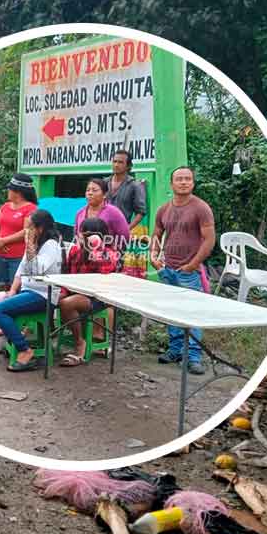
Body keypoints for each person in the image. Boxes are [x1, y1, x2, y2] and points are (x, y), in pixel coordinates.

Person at [151, 166, 216, 375]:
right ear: (172, 184)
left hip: (189, 271)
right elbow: (157, 233)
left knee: (192, 313)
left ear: (193, 183)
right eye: (179, 179)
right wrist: (153, 256)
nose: (184, 182)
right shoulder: (164, 209)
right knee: (171, 312)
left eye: (188, 179)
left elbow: (209, 239)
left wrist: (193, 264)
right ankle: (175, 350)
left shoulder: (201, 208)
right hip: (168, 268)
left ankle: (194, 357)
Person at [0, 209, 62, 372]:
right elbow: (21, 270)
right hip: (27, 292)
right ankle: (11, 340)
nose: (26, 231)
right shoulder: (36, 243)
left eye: (29, 227)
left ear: (40, 228)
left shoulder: (51, 245)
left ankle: (24, 350)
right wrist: (12, 291)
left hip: (43, 295)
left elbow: (37, 269)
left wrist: (29, 245)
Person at [58, 218, 122, 367]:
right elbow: (67, 275)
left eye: (89, 235)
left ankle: (80, 344)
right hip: (76, 293)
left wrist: (94, 248)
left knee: (67, 304)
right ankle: (41, 341)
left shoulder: (109, 253)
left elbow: (104, 273)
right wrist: (63, 291)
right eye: (82, 234)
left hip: (98, 298)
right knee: (51, 298)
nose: (84, 237)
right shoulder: (75, 251)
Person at [104, 150, 149, 278]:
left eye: (120, 162)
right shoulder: (104, 182)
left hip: (120, 237)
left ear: (128, 166)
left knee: (117, 267)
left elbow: (141, 211)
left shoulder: (134, 185)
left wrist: (126, 228)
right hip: (101, 232)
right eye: (114, 161)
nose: (116, 165)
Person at [0, 174, 38, 292]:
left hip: (18, 257)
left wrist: (3, 241)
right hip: (1, 255)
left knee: (15, 288)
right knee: (2, 288)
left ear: (18, 192)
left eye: (9, 189)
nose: (8, 191)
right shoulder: (5, 206)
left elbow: (26, 231)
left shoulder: (31, 208)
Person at [74, 178, 130, 248]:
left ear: (104, 195)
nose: (90, 193)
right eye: (88, 190)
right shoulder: (79, 213)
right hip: (83, 256)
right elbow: (76, 237)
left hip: (107, 256)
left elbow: (125, 237)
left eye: (94, 190)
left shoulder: (114, 213)